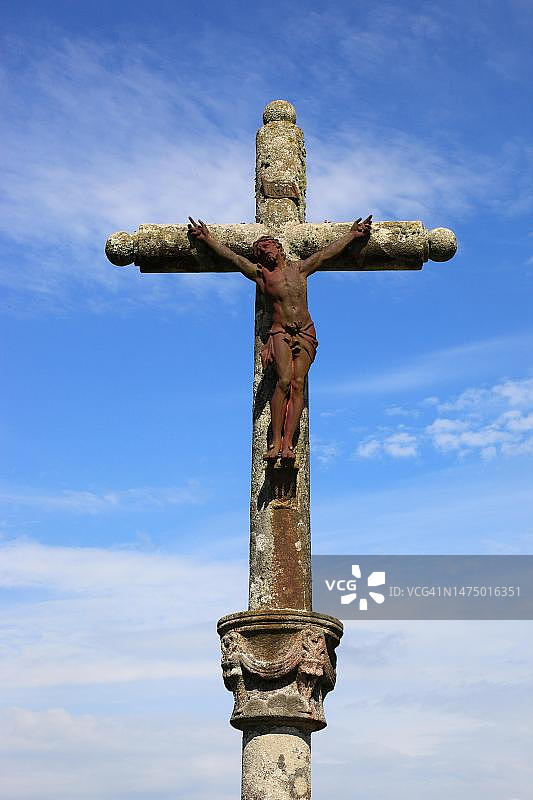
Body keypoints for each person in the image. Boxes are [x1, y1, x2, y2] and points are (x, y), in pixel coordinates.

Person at [187, 214, 372, 460]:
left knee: (298, 384)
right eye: (260, 251)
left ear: (278, 247)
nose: (265, 252)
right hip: (280, 332)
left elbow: (327, 253)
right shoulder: (261, 275)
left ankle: (288, 444)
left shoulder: (300, 268)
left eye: (268, 247)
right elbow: (232, 258)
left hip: (305, 330)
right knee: (283, 381)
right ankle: (274, 441)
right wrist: (207, 239)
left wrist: (352, 234)